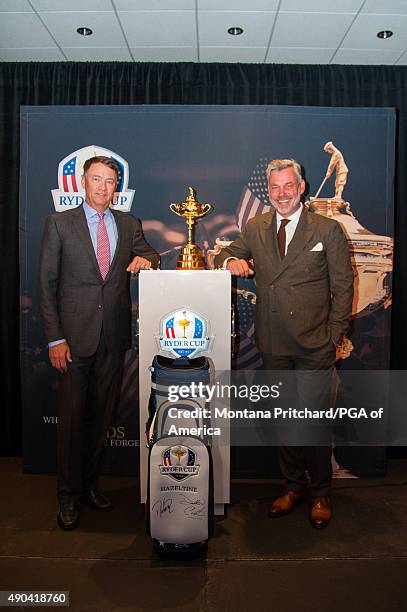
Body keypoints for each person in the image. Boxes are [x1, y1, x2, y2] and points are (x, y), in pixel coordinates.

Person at [215, 159, 353, 529]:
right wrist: (230, 260)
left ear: (303, 186)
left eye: (288, 186)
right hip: (273, 344)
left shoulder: (327, 229)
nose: (281, 193)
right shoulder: (257, 227)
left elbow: (343, 287)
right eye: (275, 187)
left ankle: (321, 493)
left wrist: (333, 336)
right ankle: (293, 486)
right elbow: (222, 254)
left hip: (314, 346)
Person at [38, 155, 159, 530]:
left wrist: (145, 260)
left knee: (100, 419)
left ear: (116, 187)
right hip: (72, 339)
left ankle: (90, 486)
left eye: (110, 181)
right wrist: (55, 338)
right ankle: (68, 496)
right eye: (96, 179)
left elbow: (151, 254)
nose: (103, 187)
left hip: (113, 338)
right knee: (72, 421)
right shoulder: (60, 224)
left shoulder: (128, 222)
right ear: (82, 183)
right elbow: (46, 285)